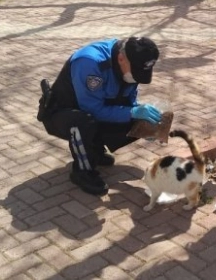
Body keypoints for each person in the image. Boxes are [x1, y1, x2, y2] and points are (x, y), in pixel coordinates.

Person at [37, 36, 163, 196]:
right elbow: (92, 109)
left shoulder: (131, 60)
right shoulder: (89, 62)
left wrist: (145, 125)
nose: (136, 77)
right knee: (84, 122)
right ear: (121, 58)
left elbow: (127, 101)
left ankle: (95, 150)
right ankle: (82, 172)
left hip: (91, 110)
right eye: (135, 72)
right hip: (61, 114)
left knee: (138, 118)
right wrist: (132, 112)